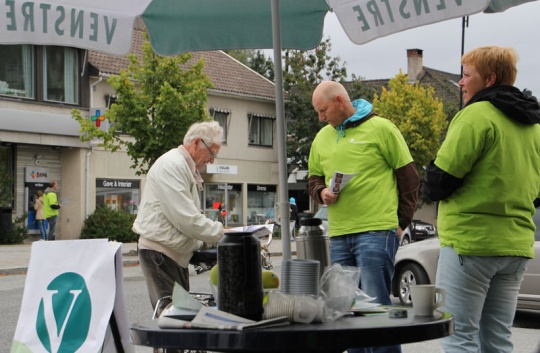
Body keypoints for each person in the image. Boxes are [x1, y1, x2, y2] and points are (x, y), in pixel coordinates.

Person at [423, 46, 540, 353]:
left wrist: (429, 176)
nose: (460, 83)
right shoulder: (533, 126)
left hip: (471, 244)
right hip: (515, 246)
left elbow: (440, 180)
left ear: (489, 79)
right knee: (497, 340)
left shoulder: (475, 115)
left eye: (466, 75)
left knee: (459, 338)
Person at [308, 81, 419, 353]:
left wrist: (401, 224)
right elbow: (313, 178)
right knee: (346, 310)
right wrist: (321, 192)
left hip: (376, 232)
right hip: (338, 234)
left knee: (376, 308)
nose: (321, 117)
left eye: (323, 110)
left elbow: (410, 179)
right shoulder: (322, 137)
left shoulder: (382, 128)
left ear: (339, 101)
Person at [133, 121, 225, 316]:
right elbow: (185, 217)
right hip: (161, 253)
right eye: (212, 153)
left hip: (171, 253)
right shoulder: (172, 165)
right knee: (173, 321)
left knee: (179, 319)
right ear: (197, 143)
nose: (212, 161)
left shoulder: (183, 166)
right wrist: (220, 233)